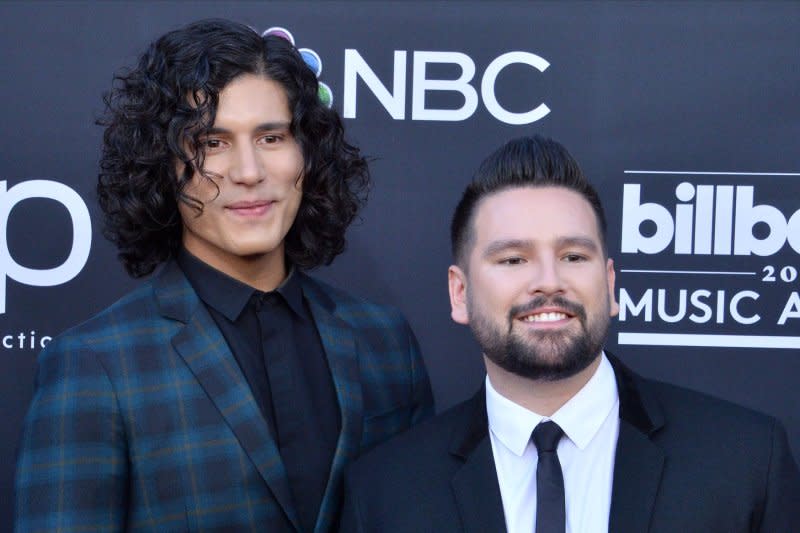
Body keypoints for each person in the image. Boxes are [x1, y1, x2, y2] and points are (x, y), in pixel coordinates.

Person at [14, 18, 432, 533]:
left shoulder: (383, 341)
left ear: (308, 153)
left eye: (272, 136)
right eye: (212, 143)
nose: (249, 171)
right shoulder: (95, 366)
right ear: (161, 166)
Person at [340, 135, 800, 532]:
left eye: (574, 256)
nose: (549, 280)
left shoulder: (744, 461)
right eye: (513, 259)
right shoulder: (386, 491)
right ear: (460, 294)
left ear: (611, 283)